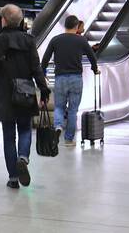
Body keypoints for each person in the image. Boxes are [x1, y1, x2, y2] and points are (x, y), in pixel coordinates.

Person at [0, 4, 50, 189]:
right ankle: (23, 157)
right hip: (26, 92)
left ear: (3, 20)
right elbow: (36, 68)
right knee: (25, 129)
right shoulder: (29, 41)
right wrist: (44, 90)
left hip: (4, 94)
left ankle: (13, 178)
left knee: (8, 135)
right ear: (20, 21)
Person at [41, 15, 99, 147]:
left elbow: (44, 60)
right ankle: (69, 139)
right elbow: (92, 57)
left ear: (65, 26)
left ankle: (58, 127)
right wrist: (95, 69)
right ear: (76, 26)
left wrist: (43, 74)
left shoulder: (55, 40)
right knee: (73, 110)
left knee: (59, 107)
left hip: (60, 78)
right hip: (76, 79)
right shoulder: (81, 40)